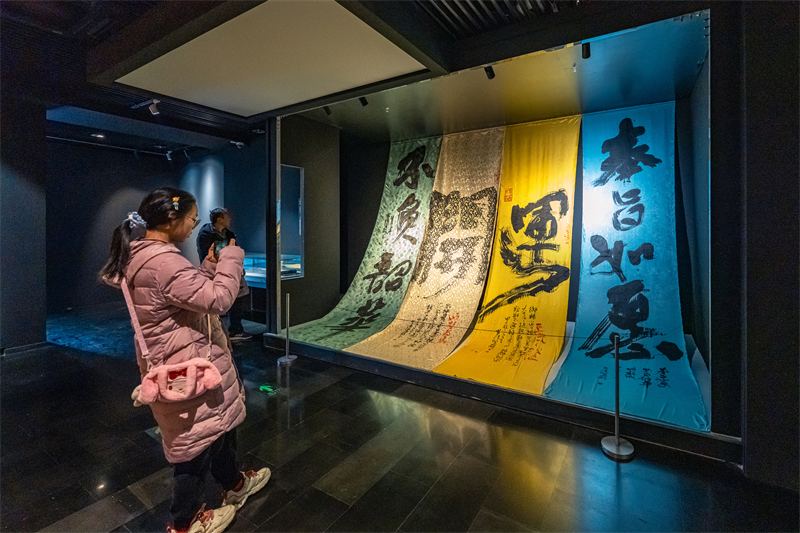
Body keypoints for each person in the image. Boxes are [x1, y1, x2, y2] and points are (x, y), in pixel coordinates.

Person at [100, 188, 269, 533]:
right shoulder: (165, 262)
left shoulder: (145, 256)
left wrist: (207, 266)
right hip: (189, 364)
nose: (194, 226)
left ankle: (235, 484)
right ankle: (186, 523)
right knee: (193, 449)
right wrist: (232, 258)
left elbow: (187, 296)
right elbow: (220, 299)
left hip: (180, 359)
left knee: (216, 429)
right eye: (192, 219)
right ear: (172, 220)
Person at [196, 208, 252, 342]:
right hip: (215, 272)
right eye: (227, 217)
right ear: (219, 219)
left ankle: (235, 329)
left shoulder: (229, 234)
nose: (230, 220)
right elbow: (210, 256)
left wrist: (238, 266)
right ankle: (225, 331)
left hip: (230, 270)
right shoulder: (205, 235)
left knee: (239, 295)